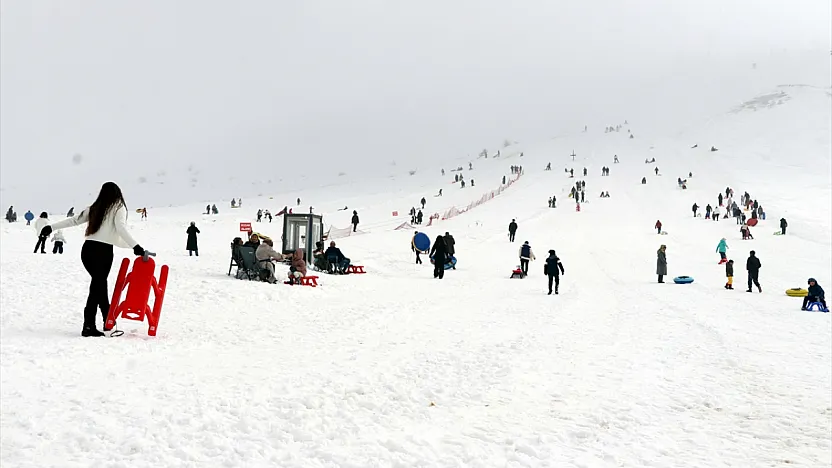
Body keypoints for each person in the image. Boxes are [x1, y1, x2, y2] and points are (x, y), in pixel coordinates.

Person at [40, 182, 145, 337]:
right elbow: (121, 228)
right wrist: (136, 247)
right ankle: (89, 326)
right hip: (103, 252)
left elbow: (74, 220)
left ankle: (107, 319)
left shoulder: (95, 207)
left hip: (88, 251)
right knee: (97, 286)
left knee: (99, 284)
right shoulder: (119, 207)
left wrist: (51, 227)